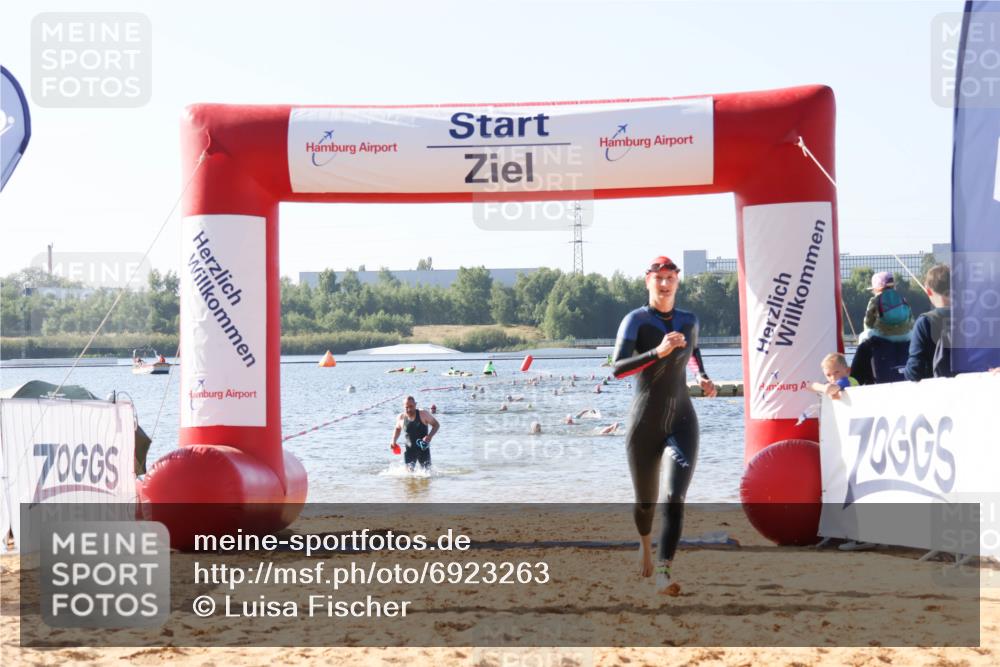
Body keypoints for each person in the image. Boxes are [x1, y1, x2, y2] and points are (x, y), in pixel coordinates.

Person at [613, 255, 716, 596]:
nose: (664, 283)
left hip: (682, 419)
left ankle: (663, 570)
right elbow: (618, 369)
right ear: (648, 282)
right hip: (644, 423)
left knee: (675, 496)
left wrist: (701, 375)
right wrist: (657, 352)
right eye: (658, 278)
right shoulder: (635, 321)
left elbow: (694, 350)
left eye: (670, 277)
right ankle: (644, 543)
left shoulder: (690, 319)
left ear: (677, 281)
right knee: (646, 502)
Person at [905, 264, 952, 381]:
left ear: (929, 291)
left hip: (937, 393)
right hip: (970, 391)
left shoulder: (925, 322)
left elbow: (914, 371)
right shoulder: (973, 320)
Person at [390, 396, 440, 472]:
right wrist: (393, 441)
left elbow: (436, 425)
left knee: (427, 474)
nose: (409, 409)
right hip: (409, 450)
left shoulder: (423, 414)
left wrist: (429, 436)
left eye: (411, 406)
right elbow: (397, 429)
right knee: (408, 475)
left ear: (415, 405)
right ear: (403, 407)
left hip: (423, 449)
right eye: (406, 407)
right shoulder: (401, 417)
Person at [861, 272, 912, 343]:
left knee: (863, 336)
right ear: (893, 286)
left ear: (877, 289)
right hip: (905, 336)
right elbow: (911, 319)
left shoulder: (875, 300)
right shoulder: (902, 299)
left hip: (883, 336)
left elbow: (868, 323)